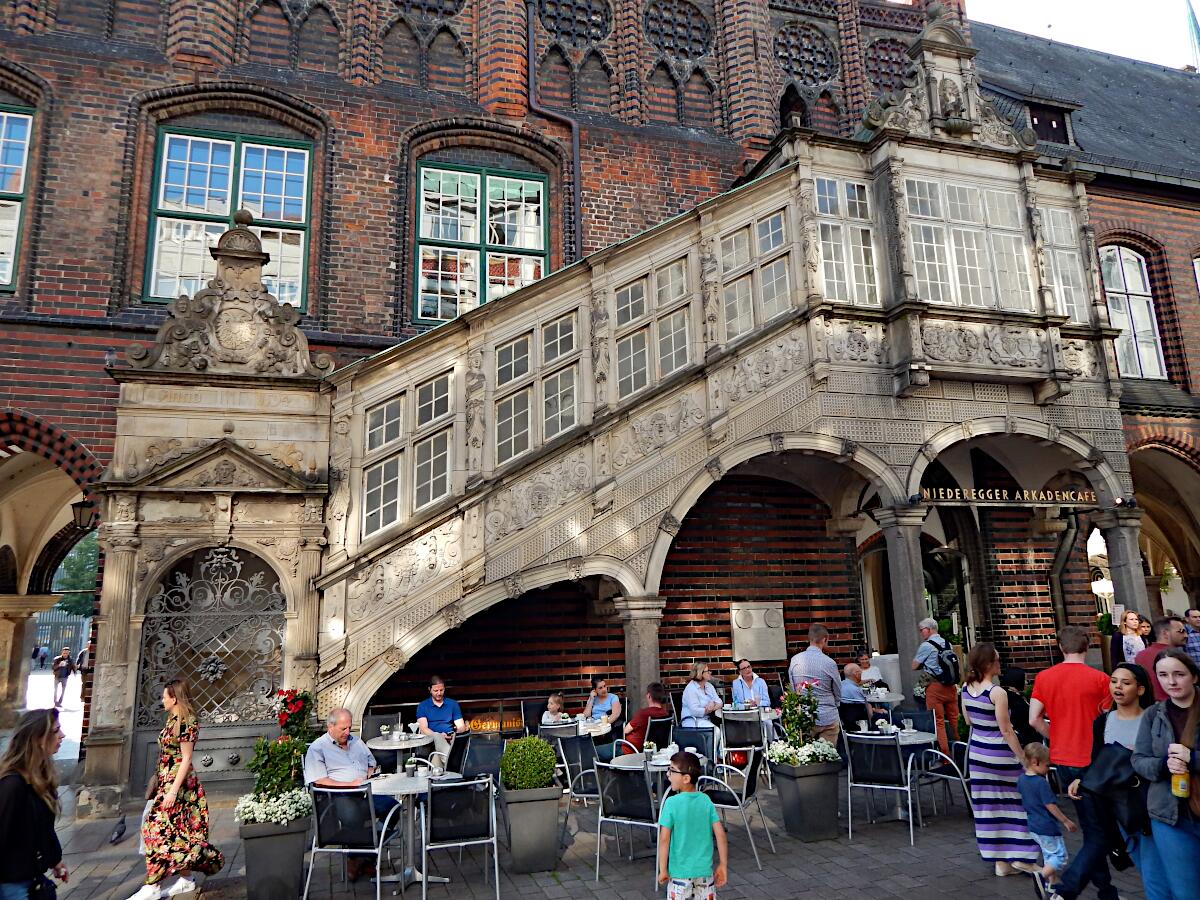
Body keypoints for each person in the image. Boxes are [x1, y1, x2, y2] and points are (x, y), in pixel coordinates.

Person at [1053, 663, 1162, 900]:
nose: (1118, 687)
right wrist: (1082, 777)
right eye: (1114, 681)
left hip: (1136, 797)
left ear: (1140, 689)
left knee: (1135, 851)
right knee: (1097, 840)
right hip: (1103, 795)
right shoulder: (1103, 721)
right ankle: (1067, 892)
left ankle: (1074, 892)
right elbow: (1098, 759)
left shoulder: (1152, 720)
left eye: (1126, 682)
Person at [1029, 626, 1116, 900]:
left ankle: (1105, 890)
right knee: (1099, 831)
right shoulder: (1100, 679)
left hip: (1062, 758)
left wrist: (1054, 738)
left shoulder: (1045, 677)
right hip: (1092, 760)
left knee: (1092, 827)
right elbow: (1108, 721)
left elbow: (1034, 719)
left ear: (1060, 647)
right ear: (1087, 646)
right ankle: (1068, 889)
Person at [126, 679, 223, 900]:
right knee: (174, 832)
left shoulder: (187, 722)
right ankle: (186, 880)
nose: (162, 700)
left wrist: (172, 791)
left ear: (175, 698)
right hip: (166, 782)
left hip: (179, 787)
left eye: (164, 696)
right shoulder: (172, 720)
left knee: (155, 830)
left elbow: (186, 758)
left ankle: (153, 886)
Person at [961, 642, 1041, 876]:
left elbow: (968, 722)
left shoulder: (965, 689)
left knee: (990, 807)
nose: (999, 663)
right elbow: (1006, 730)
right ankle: (1023, 857)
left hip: (977, 755)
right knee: (1018, 804)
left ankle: (1000, 861)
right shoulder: (997, 692)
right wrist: (1023, 758)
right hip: (1000, 755)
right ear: (988, 664)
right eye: (996, 660)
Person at [1131, 649, 1200, 900]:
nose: (1171, 681)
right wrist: (1163, 765)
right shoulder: (1153, 714)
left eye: (1179, 674)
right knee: (1186, 891)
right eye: (1163, 675)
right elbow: (1138, 760)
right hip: (1171, 815)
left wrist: (1192, 759)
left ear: (1193, 676)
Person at [303, 707, 394, 881]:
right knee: (353, 817)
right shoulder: (318, 748)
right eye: (342, 728)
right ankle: (356, 857)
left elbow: (371, 762)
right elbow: (319, 781)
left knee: (393, 808)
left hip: (366, 792)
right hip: (339, 795)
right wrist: (349, 784)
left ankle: (366, 854)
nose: (347, 732)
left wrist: (369, 771)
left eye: (349, 728)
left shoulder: (356, 741)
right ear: (330, 726)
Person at [0, 708, 69, 899]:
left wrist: (55, 860)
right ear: (38, 739)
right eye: (56, 731)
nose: (62, 735)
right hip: (11, 886)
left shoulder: (40, 778)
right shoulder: (12, 785)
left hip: (31, 879)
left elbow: (43, 828)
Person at [657, 751, 728, 900]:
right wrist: (723, 864)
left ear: (686, 778)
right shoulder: (706, 801)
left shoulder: (671, 803)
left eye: (671, 770)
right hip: (704, 874)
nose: (668, 774)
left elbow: (664, 838)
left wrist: (663, 869)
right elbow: (720, 834)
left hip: (679, 875)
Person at [1019, 742, 1077, 893]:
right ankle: (1042, 875)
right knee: (1060, 857)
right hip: (1046, 826)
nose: (1047, 770)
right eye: (1046, 765)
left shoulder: (1021, 780)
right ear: (1035, 762)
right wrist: (1065, 820)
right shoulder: (1041, 783)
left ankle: (1051, 884)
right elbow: (1050, 805)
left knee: (1048, 854)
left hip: (1033, 825)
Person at [788, 624, 842, 744]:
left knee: (805, 756)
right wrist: (836, 704)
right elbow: (838, 690)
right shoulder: (830, 663)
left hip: (804, 715)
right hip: (828, 716)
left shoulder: (795, 660)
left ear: (810, 638)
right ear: (825, 639)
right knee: (828, 754)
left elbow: (793, 688)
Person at [912, 618, 958, 756]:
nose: (921, 633)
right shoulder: (947, 643)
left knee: (938, 722)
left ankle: (945, 756)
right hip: (951, 686)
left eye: (922, 630)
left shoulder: (926, 645)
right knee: (955, 718)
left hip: (934, 687)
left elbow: (914, 666)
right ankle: (961, 749)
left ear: (929, 629)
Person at [1135, 617, 1189, 701]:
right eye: (1181, 631)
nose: (1186, 635)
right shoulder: (1174, 656)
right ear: (1165, 633)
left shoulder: (1140, 655)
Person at [415, 675, 467, 759]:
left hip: (449, 738)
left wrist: (454, 735)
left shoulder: (452, 704)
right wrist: (439, 736)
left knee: (436, 759)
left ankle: (444, 764)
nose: (439, 693)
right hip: (430, 739)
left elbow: (461, 726)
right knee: (437, 736)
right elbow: (423, 729)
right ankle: (448, 760)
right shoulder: (423, 706)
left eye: (441, 690)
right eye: (436, 690)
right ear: (430, 690)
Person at [624, 682, 673, 753]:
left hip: (630, 749)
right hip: (653, 749)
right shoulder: (665, 714)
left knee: (601, 751)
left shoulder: (643, 714)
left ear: (649, 696)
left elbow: (625, 730)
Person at [1000, 667, 1038, 748]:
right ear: (1016, 680)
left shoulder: (1007, 695)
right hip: (1026, 743)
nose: (1026, 682)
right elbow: (1025, 723)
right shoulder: (1015, 701)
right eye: (1023, 679)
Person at [681, 662, 721, 730]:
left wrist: (712, 706)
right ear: (700, 673)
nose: (710, 673)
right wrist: (708, 709)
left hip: (707, 720)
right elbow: (695, 711)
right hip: (692, 721)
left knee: (724, 728)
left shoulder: (709, 686)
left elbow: (720, 702)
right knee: (716, 731)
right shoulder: (691, 689)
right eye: (707, 671)